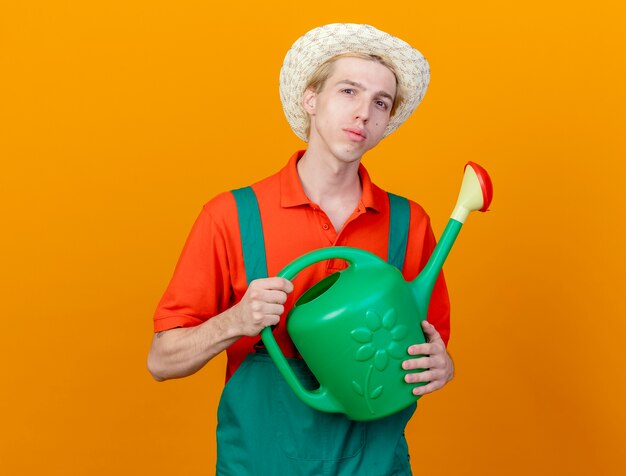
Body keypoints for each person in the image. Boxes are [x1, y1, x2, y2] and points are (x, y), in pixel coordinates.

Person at [148, 23, 455, 475]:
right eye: (348, 91)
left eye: (380, 102)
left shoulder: (409, 224)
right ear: (311, 99)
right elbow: (161, 360)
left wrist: (440, 366)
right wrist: (236, 319)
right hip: (261, 459)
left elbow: (431, 348)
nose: (363, 113)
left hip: (375, 461)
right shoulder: (231, 216)